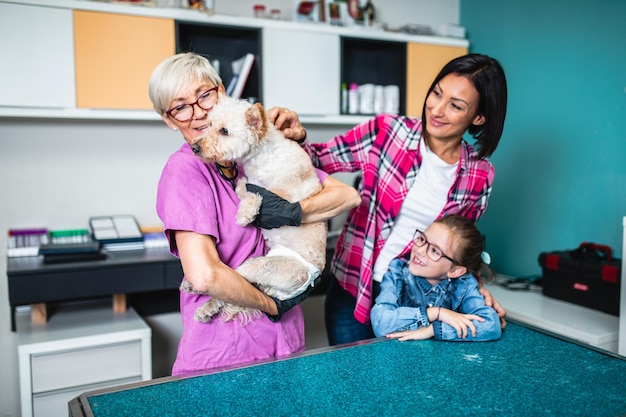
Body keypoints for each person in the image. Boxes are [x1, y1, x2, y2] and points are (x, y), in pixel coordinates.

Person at [148, 52, 360, 375]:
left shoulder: (249, 150)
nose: (199, 113)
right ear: (169, 119)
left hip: (284, 345)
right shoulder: (185, 171)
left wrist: (292, 211)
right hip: (227, 356)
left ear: (222, 92)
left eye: (205, 95)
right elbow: (204, 275)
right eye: (180, 107)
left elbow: (345, 195)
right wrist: (269, 304)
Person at [298, 53, 509, 345]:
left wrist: (477, 290)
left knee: (401, 385)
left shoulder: (479, 174)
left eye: (455, 105)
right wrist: (294, 136)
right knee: (351, 384)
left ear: (479, 117)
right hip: (353, 287)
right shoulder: (389, 131)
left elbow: (460, 248)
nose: (437, 109)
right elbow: (317, 158)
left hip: (414, 302)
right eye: (436, 93)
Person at [371, 215, 502, 342]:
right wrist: (436, 313)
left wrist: (434, 329)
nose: (420, 251)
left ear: (455, 271)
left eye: (435, 251)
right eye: (422, 239)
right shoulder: (396, 274)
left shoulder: (464, 283)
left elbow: (491, 326)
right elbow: (381, 323)